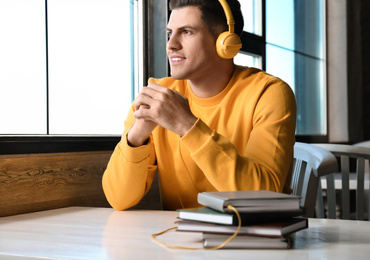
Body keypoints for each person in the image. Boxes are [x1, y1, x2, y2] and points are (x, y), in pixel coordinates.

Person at [102, 0, 297, 211]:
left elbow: (263, 199)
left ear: (225, 42)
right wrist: (137, 135)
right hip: (178, 237)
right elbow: (118, 199)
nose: (171, 44)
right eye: (170, 33)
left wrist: (187, 126)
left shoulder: (268, 93)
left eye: (186, 32)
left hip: (251, 236)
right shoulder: (157, 95)